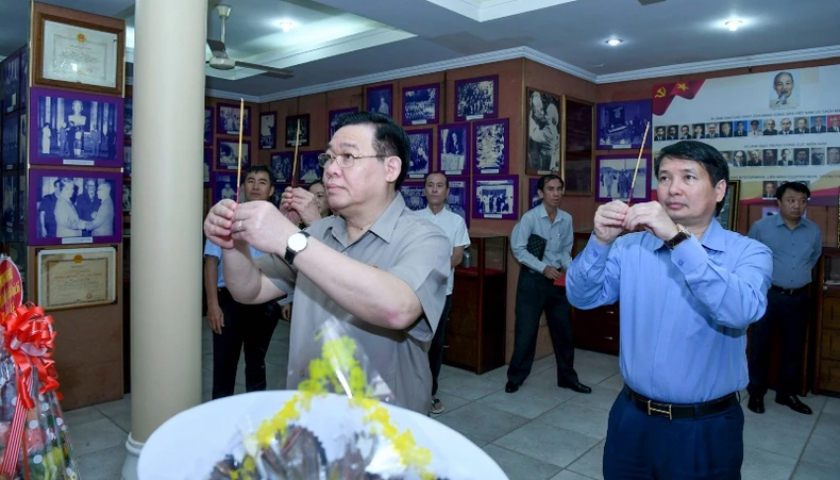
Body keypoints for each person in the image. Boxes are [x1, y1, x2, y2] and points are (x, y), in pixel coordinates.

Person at [203, 111, 450, 415]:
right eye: (329, 158)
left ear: (390, 168)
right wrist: (233, 243)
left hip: (384, 422)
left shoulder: (426, 238)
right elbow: (249, 290)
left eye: (348, 157)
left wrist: (289, 239)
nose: (330, 169)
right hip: (309, 412)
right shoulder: (318, 234)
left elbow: (397, 308)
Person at [566, 140, 772, 479]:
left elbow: (740, 311)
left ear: (719, 189)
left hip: (704, 426)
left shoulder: (749, 253)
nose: (672, 188)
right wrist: (600, 241)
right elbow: (581, 297)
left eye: (688, 177)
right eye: (664, 177)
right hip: (631, 417)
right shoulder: (631, 247)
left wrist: (677, 240)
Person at [204, 165, 283, 400]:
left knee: (257, 364)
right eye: (251, 181)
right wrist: (212, 304)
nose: (256, 186)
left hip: (264, 302)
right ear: (243, 187)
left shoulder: (278, 223)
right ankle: (221, 415)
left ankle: (255, 416)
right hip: (229, 301)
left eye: (262, 182)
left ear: (271, 190)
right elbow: (210, 263)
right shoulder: (228, 219)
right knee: (224, 366)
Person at [505, 174, 590, 395]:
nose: (556, 193)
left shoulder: (566, 219)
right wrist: (543, 267)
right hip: (532, 281)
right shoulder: (530, 218)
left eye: (559, 189)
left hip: (557, 281)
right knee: (525, 332)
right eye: (551, 189)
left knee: (563, 332)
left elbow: (565, 250)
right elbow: (518, 249)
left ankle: (567, 378)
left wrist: (572, 270)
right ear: (540, 193)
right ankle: (515, 377)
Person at [747, 182, 822, 415]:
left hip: (798, 298)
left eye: (802, 201)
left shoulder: (813, 230)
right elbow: (750, 258)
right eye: (791, 200)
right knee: (761, 347)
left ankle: (786, 394)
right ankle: (756, 393)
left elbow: (813, 258)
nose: (797, 205)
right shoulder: (761, 228)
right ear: (779, 202)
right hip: (768, 296)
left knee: (793, 348)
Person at [418, 172, 470, 414]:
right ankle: (411, 391)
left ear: (447, 191)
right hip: (415, 290)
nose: (435, 190)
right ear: (424, 190)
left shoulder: (456, 221)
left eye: (440, 186)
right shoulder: (413, 219)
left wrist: (433, 273)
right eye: (430, 185)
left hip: (442, 292)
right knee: (414, 343)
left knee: (436, 344)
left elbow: (457, 257)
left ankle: (430, 393)